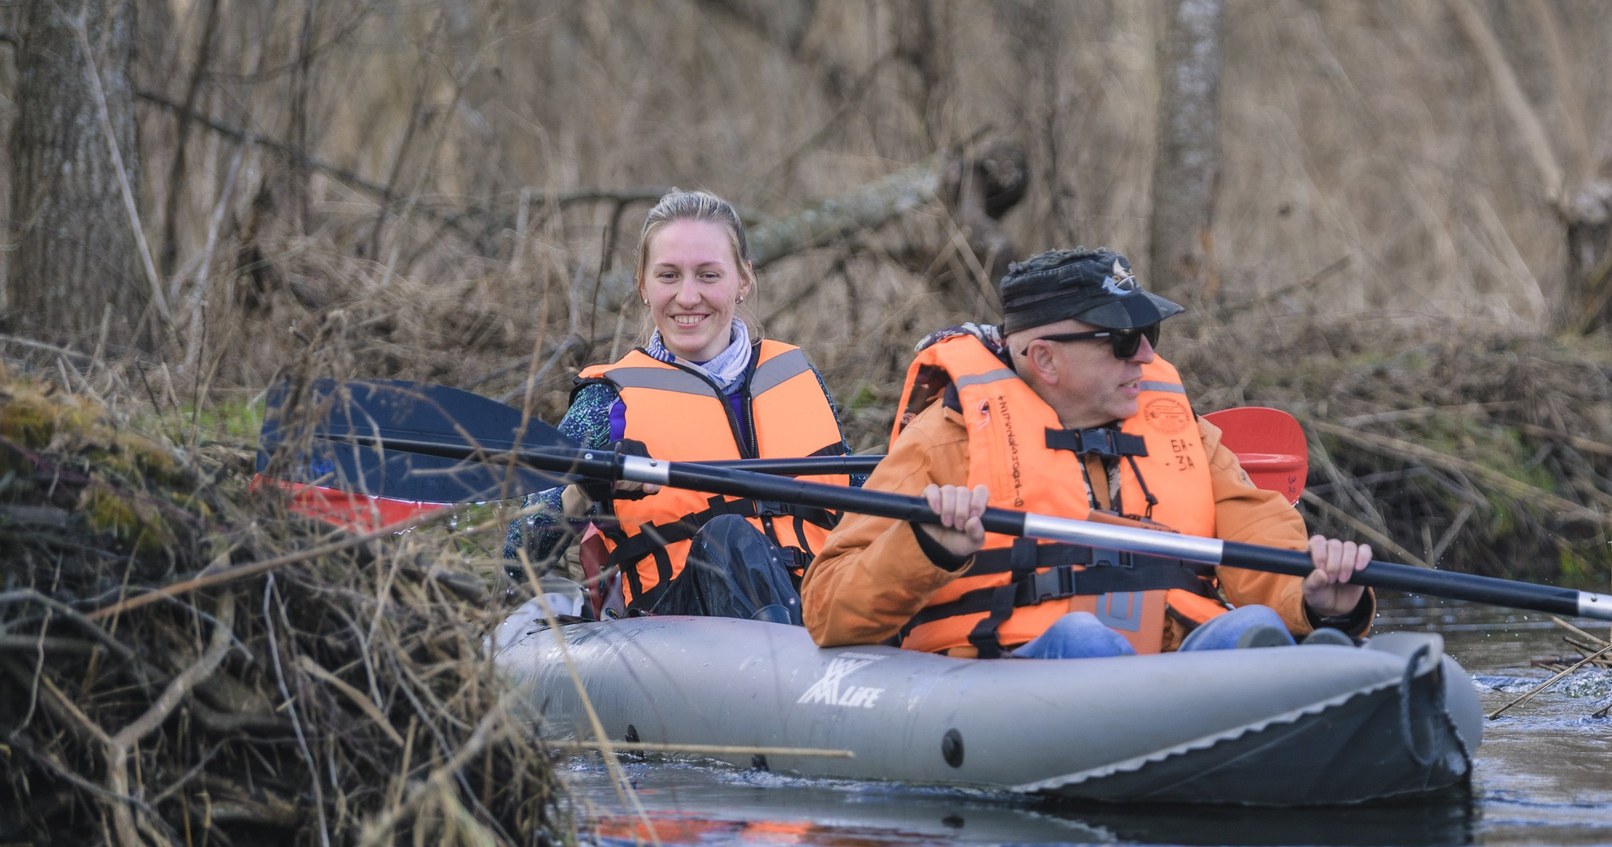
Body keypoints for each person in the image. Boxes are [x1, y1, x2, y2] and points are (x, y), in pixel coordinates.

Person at [801, 247, 1376, 658]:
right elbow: (827, 609)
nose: (1146, 356)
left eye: (1149, 334)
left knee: (1245, 626)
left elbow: (1266, 553)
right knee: (1082, 640)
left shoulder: (1190, 437)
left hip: (1173, 677)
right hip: (1010, 678)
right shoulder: (942, 443)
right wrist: (925, 546)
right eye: (1122, 340)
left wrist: (1322, 602)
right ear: (1045, 359)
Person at [509, 188, 851, 623]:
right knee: (729, 536)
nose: (688, 297)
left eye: (708, 275)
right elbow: (516, 561)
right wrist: (585, 489)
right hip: (680, 630)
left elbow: (866, 506)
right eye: (669, 276)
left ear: (743, 280)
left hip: (825, 606)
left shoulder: (796, 376)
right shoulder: (607, 401)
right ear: (643, 285)